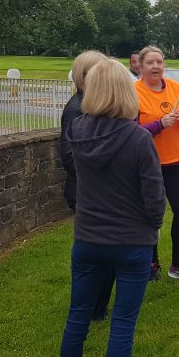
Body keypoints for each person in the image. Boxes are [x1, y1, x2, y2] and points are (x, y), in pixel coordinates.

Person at [59, 60, 164, 357]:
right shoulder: (136, 137)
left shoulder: (78, 129)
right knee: (122, 324)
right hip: (130, 241)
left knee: (78, 317)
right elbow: (154, 196)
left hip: (88, 238)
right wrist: (152, 227)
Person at [60, 50, 115, 318]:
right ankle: (90, 306)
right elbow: (69, 156)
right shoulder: (76, 109)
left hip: (100, 194)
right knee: (93, 256)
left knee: (107, 255)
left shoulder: (95, 106)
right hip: (86, 195)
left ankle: (98, 305)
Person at [134, 45, 179, 282]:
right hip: (149, 163)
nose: (156, 66)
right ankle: (151, 262)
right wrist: (160, 124)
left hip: (177, 161)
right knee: (150, 215)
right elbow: (131, 131)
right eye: (150, 63)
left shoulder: (176, 88)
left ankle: (177, 263)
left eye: (159, 62)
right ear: (141, 66)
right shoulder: (133, 91)